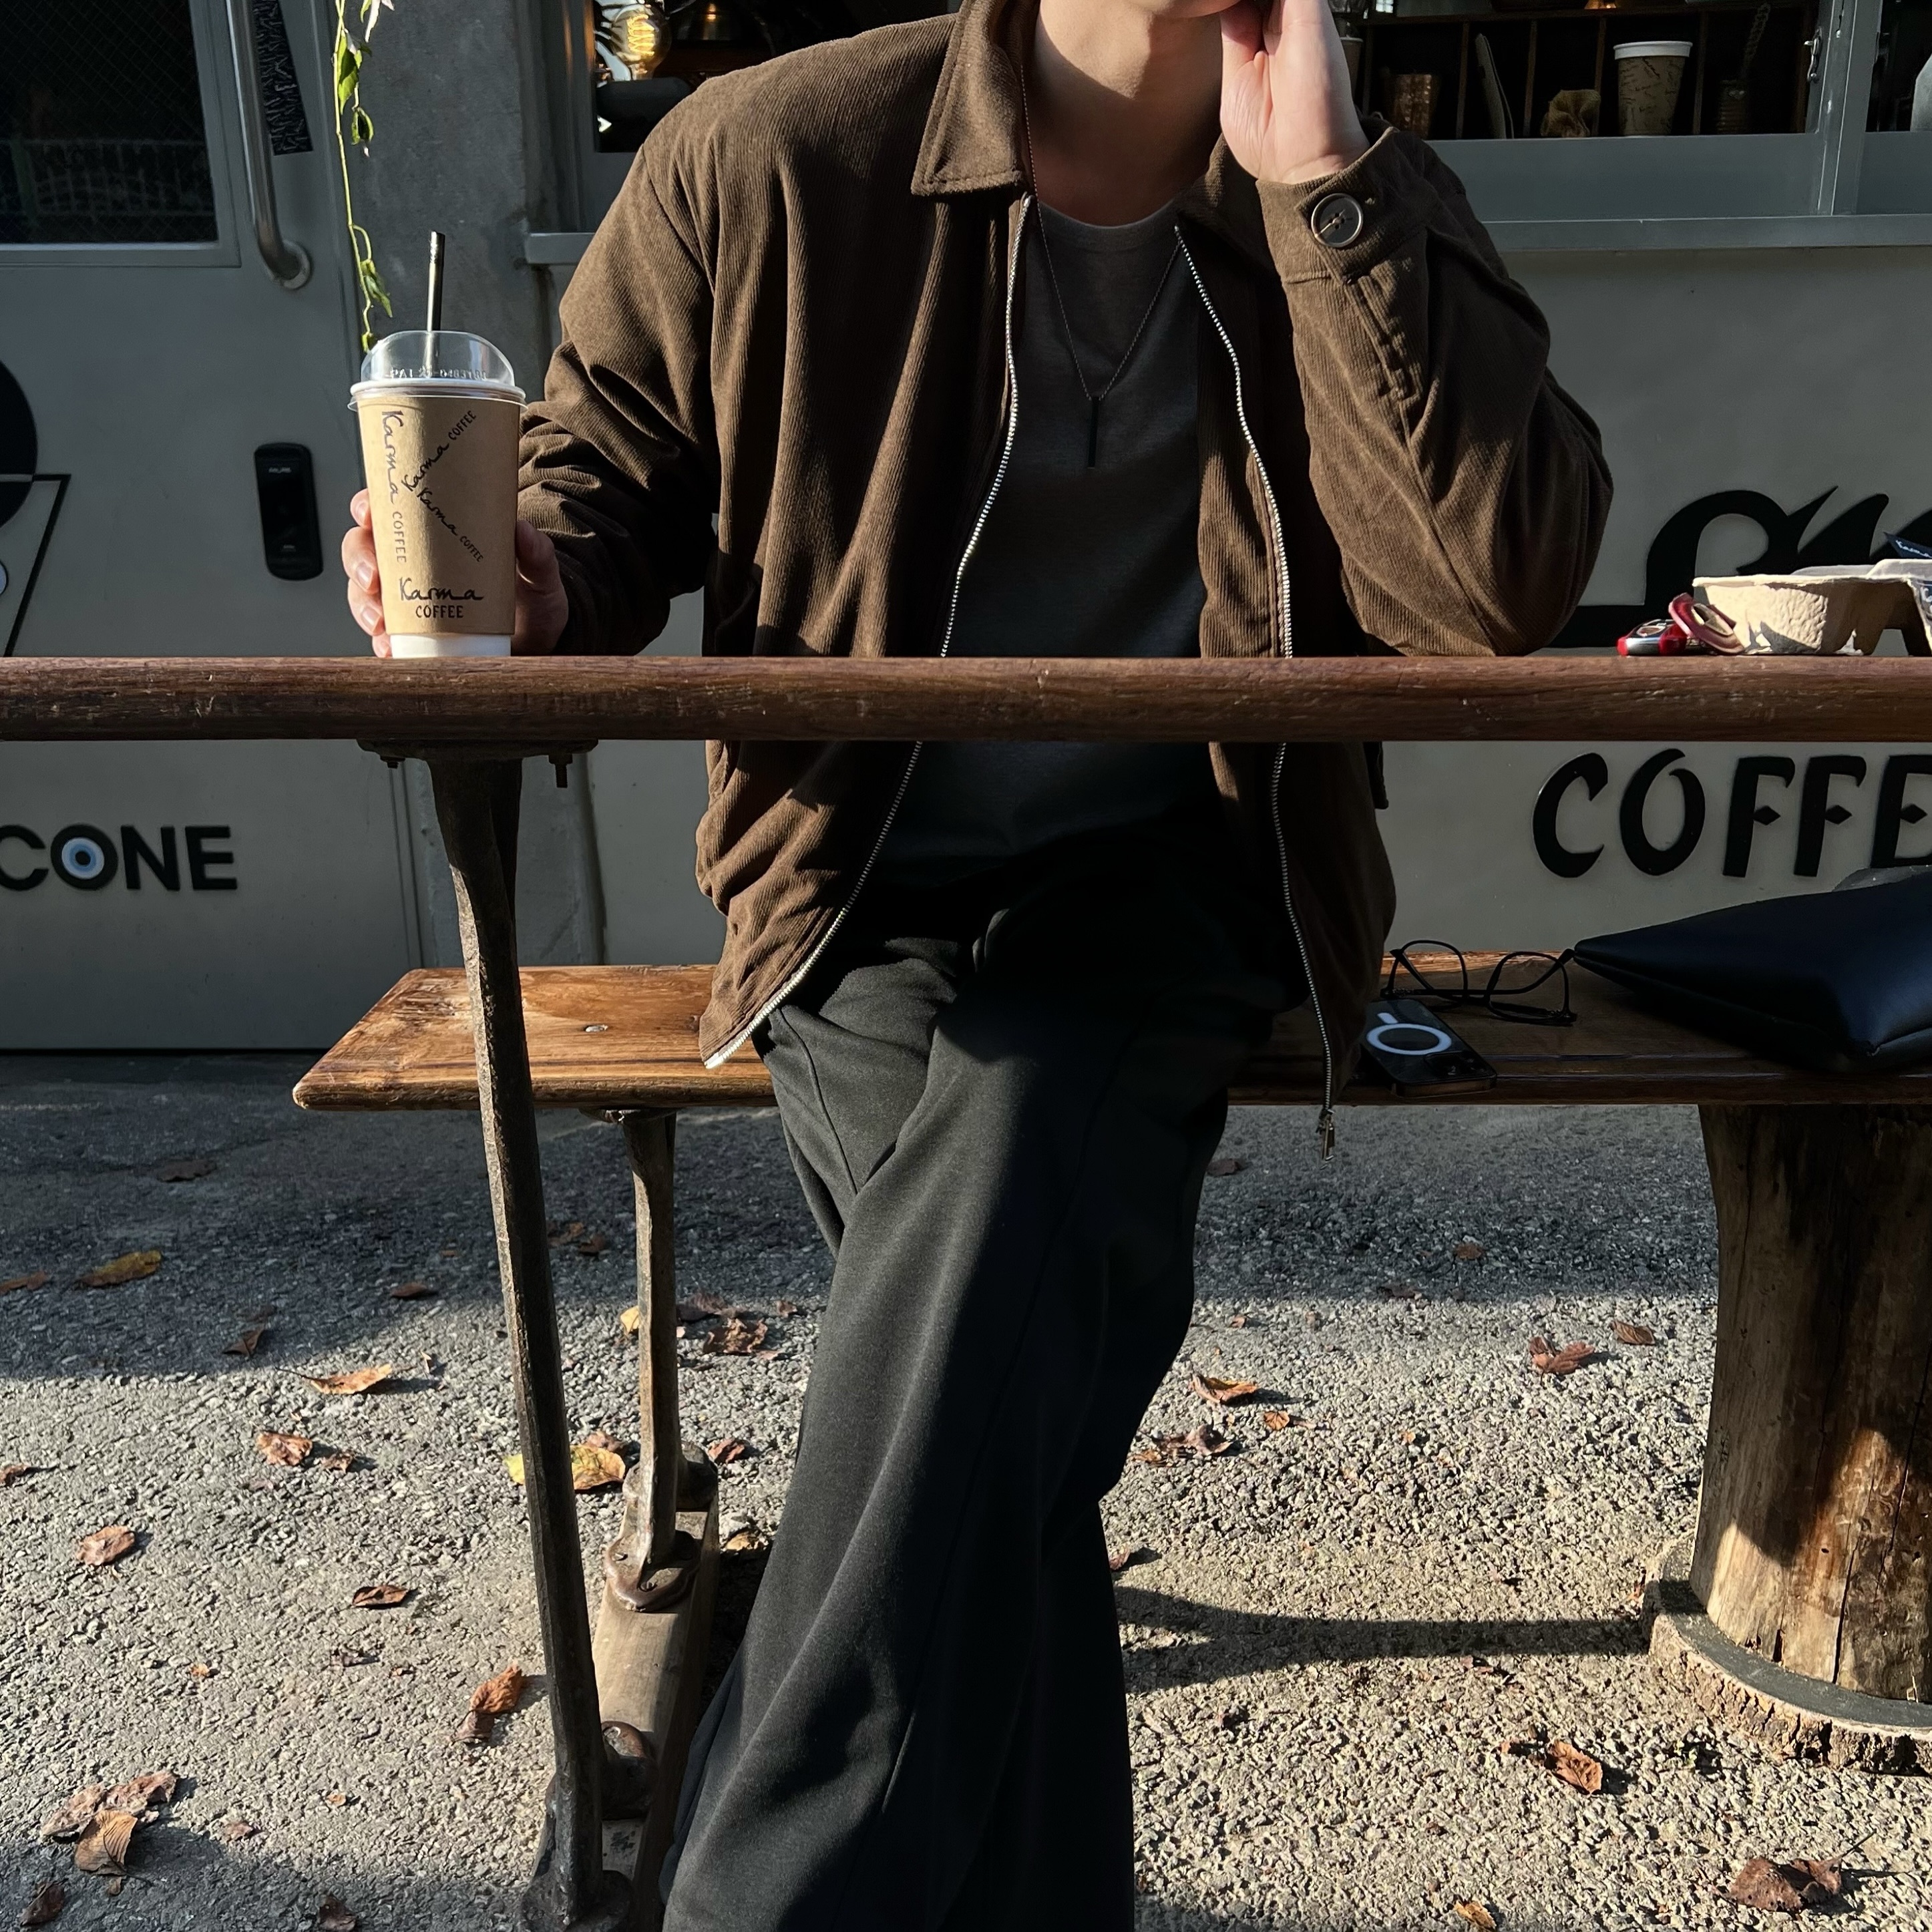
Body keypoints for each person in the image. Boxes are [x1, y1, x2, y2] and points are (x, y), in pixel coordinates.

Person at [343, 0, 1609, 1916]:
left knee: (1004, 1200)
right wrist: (528, 570)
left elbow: (1494, 588)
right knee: (987, 1408)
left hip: (1185, 867)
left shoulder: (1344, 178)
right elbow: (598, 474)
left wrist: (1332, 196)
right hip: (855, 880)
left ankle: (755, 1901)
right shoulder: (775, 156)